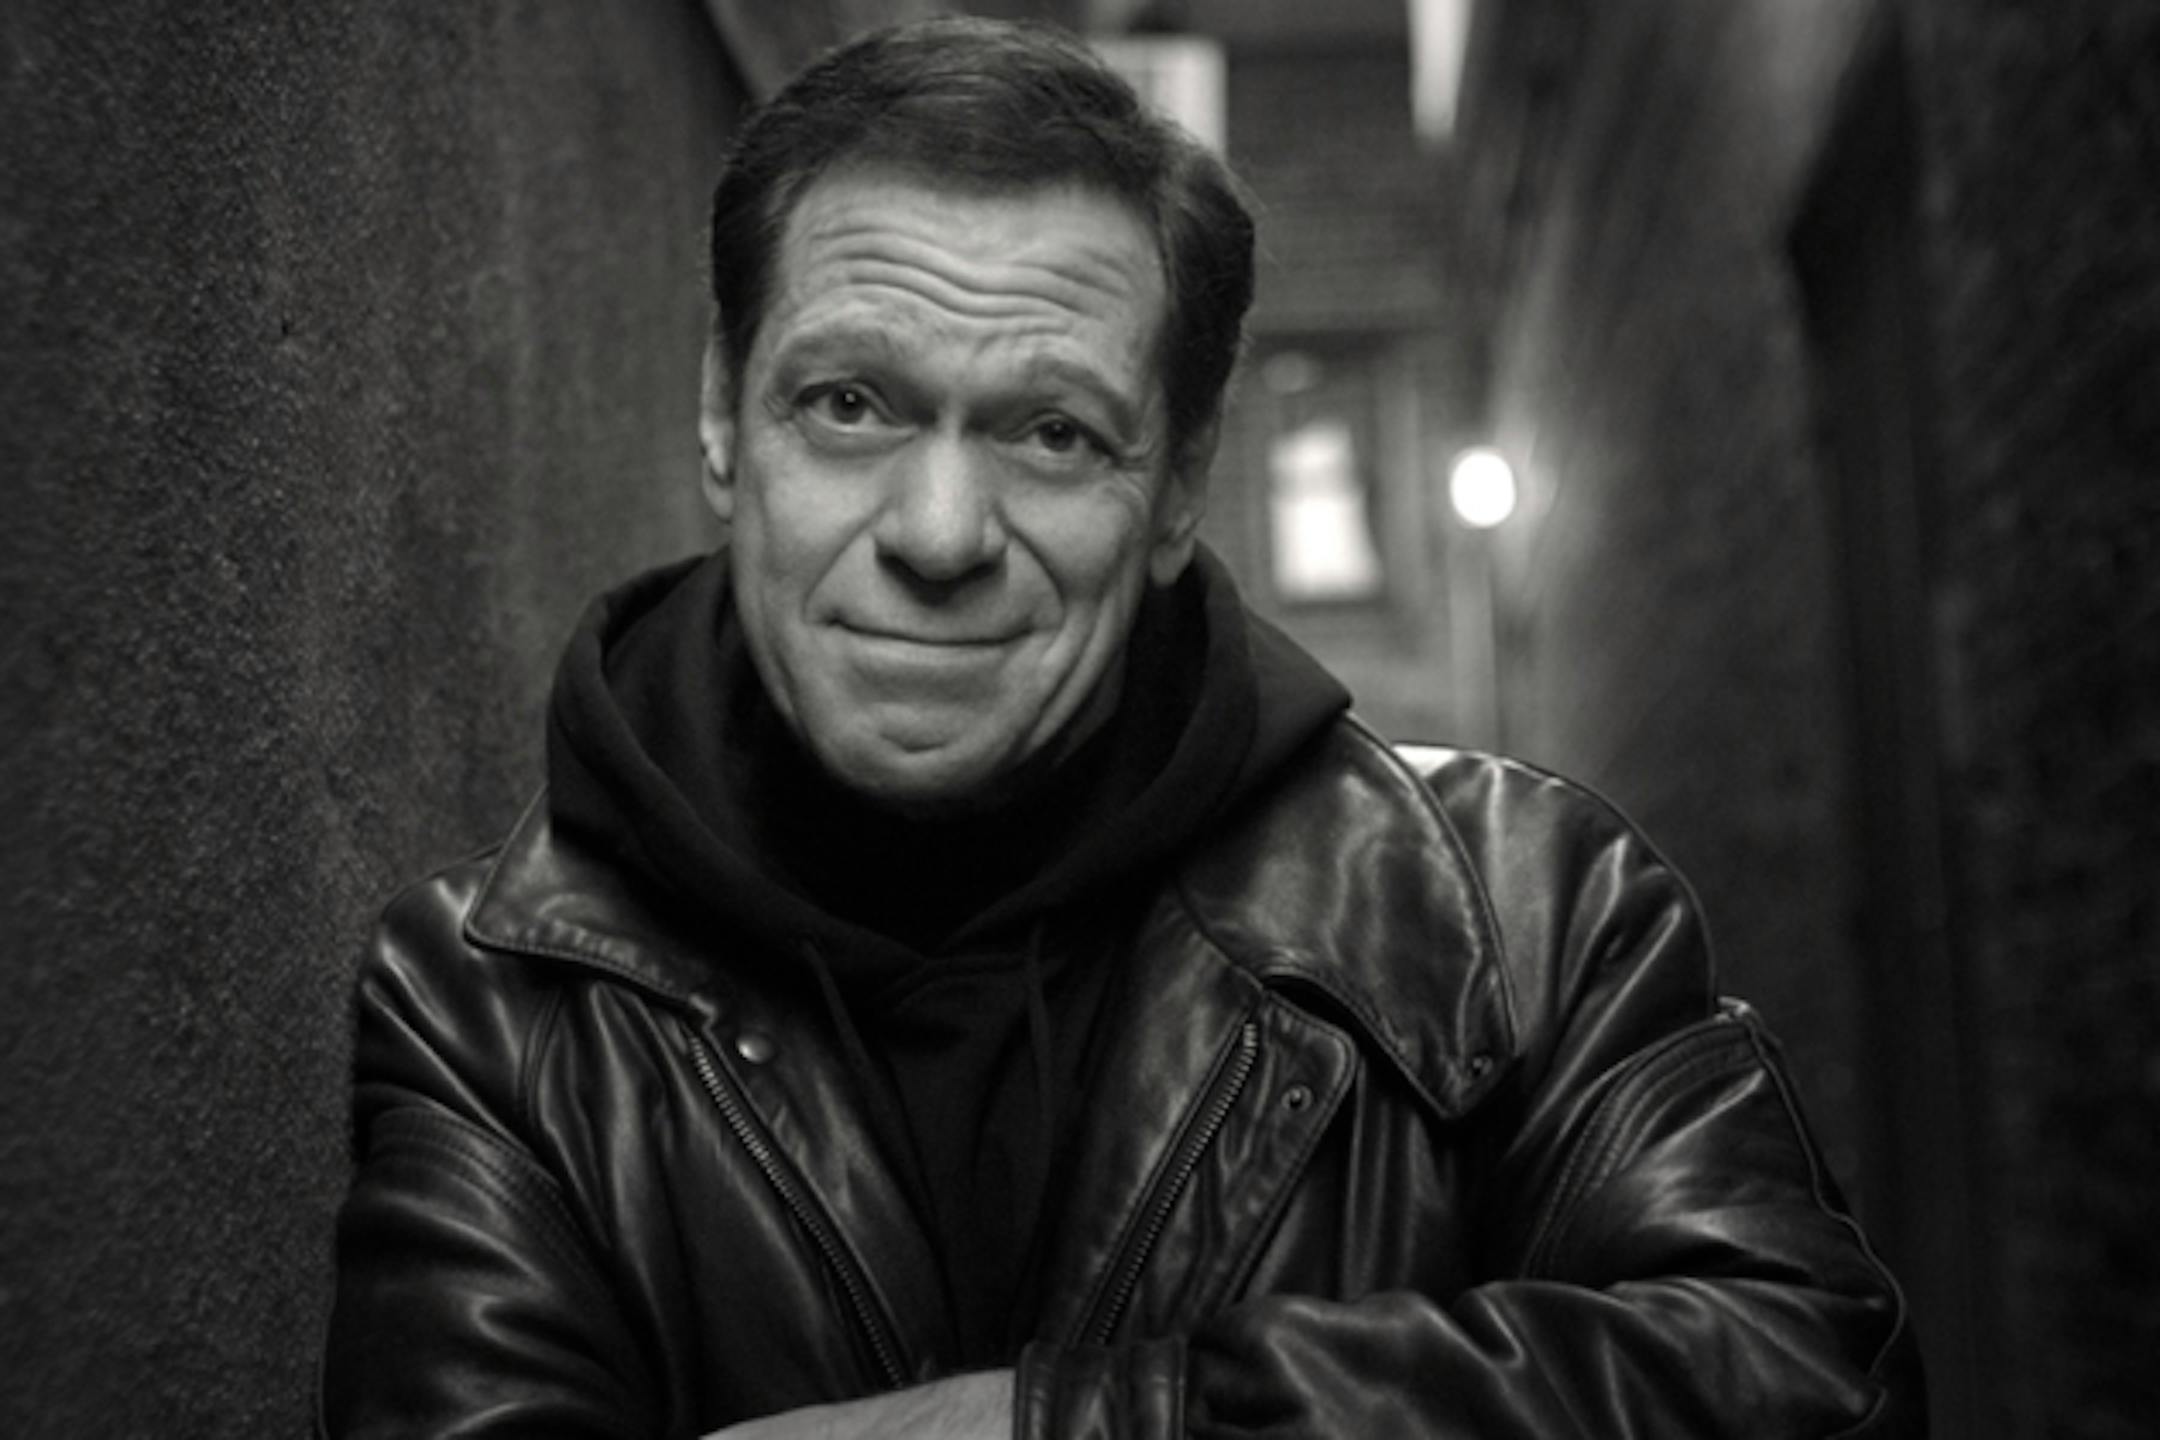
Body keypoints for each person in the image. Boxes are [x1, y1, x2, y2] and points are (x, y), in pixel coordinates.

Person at [321, 16, 1924, 1438]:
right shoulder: (489, 1004)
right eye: (850, 404)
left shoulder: (1519, 916)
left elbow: (1810, 1383)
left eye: (1052, 432)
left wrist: (1070, 1424)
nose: (939, 532)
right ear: (722, 419)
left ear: (1177, 490)